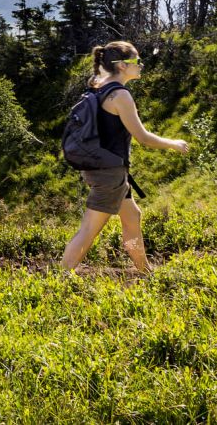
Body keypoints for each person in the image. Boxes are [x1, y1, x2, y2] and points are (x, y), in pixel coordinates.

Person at [60, 41, 189, 274]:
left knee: (132, 217)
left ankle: (144, 270)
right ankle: (58, 277)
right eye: (136, 61)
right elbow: (143, 137)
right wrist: (174, 144)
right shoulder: (120, 95)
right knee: (89, 230)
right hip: (109, 173)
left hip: (103, 168)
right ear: (121, 65)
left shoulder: (98, 85)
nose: (140, 65)